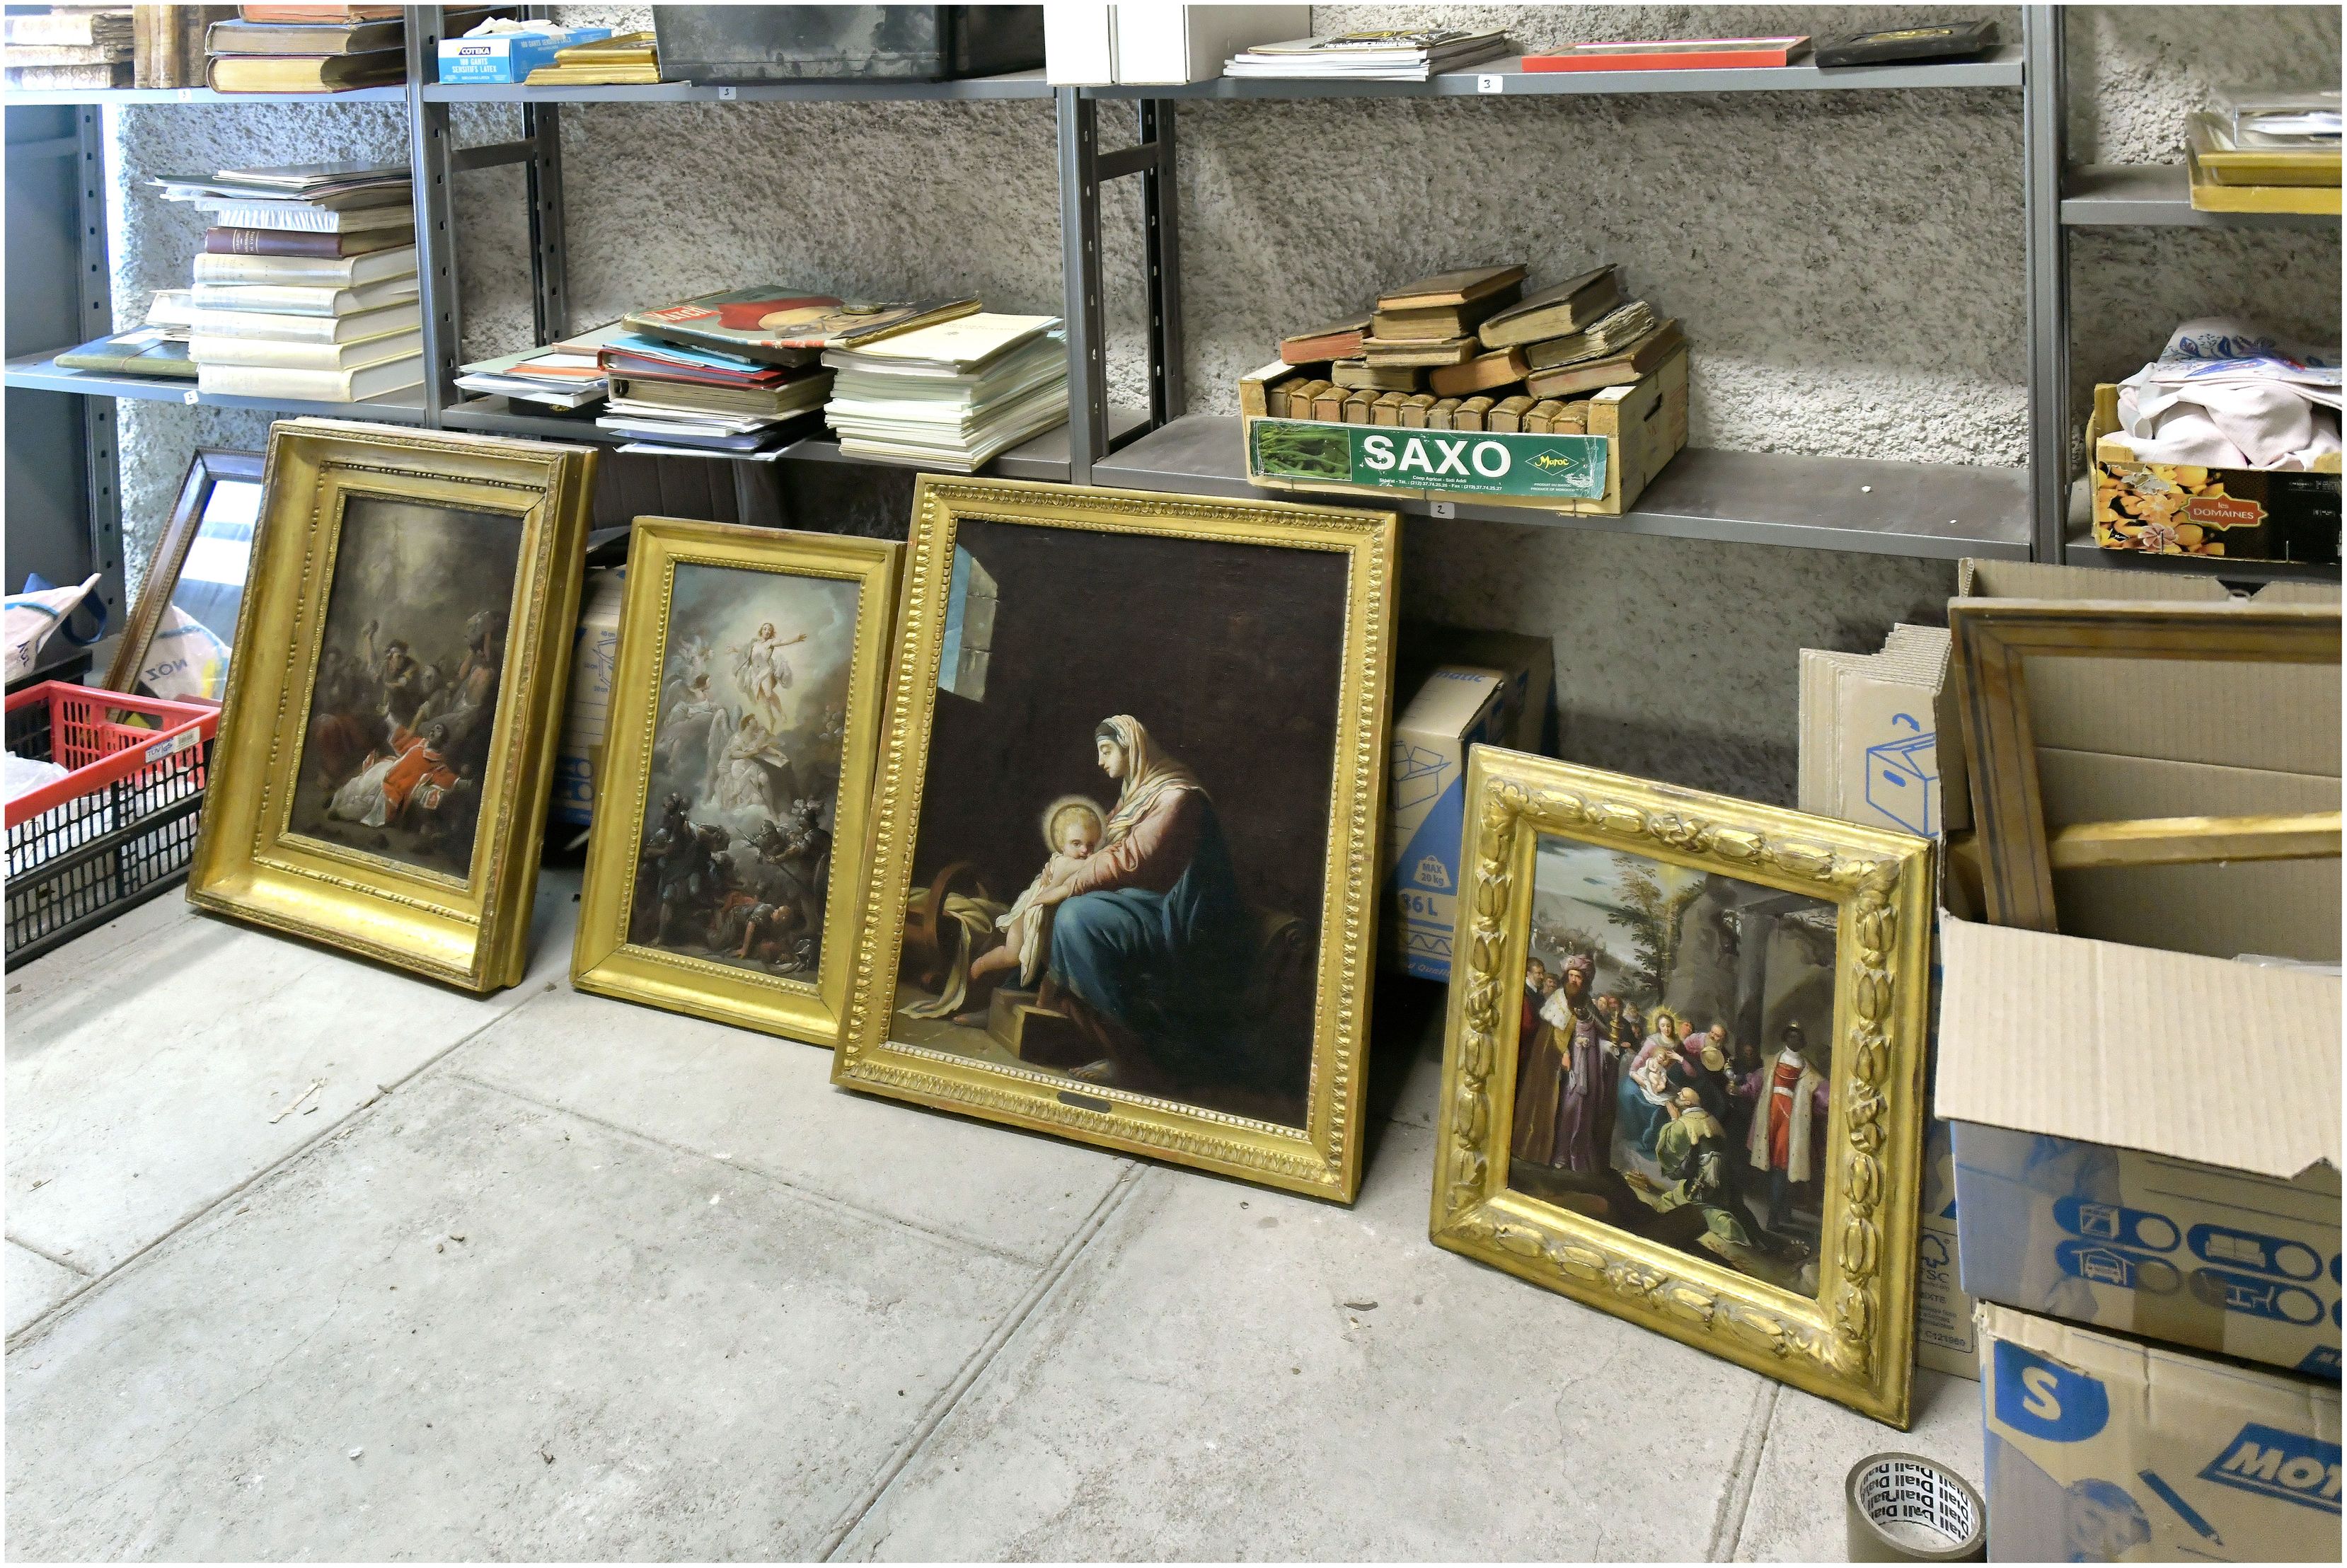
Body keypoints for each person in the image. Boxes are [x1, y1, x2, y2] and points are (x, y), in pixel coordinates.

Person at [1025, 716, 1263, 1100]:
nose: (1101, 762)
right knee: (1048, 906)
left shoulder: (1177, 796)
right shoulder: (1137, 795)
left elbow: (1130, 858)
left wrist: (1069, 884)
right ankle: (1020, 1001)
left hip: (1173, 917)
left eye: (1106, 751)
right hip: (1136, 903)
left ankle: (1131, 1057)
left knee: (1075, 917)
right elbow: (1106, 853)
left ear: (1132, 748)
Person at [968, 797, 1107, 996]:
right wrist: (1107, 852)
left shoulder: (1067, 861)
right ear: (1061, 844)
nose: (1085, 850)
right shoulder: (1064, 863)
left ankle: (1041, 997)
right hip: (1029, 919)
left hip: (1045, 922)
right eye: (1077, 843)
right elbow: (1094, 864)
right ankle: (980, 965)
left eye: (1091, 845)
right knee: (1011, 955)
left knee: (1045, 965)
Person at [1746, 1020, 1830, 1233]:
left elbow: (1823, 1095)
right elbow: (1755, 1084)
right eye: (1791, 1036)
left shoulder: (1807, 1069)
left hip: (1792, 1120)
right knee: (1775, 1168)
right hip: (1770, 1116)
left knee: (1783, 1167)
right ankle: (1781, 1213)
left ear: (1803, 1041)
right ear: (1785, 1038)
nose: (1795, 1040)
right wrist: (1741, 1089)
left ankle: (1777, 1216)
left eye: (1798, 1037)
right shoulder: (1773, 1061)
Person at [1511, 963, 1567, 1164]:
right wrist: (1543, 1028)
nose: (1542, 977)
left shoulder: (1536, 994)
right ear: (1528, 973)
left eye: (1544, 973)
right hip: (1524, 1048)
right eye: (1539, 973)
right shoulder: (1525, 992)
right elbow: (1526, 1024)